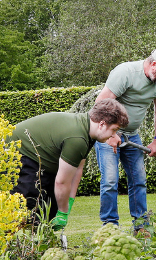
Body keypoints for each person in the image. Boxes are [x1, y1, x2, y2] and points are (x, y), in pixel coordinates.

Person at [95, 46, 156, 233]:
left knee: (139, 180)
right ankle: (110, 228)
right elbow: (100, 103)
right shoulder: (125, 72)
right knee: (110, 181)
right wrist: (110, 134)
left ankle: (141, 227)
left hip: (132, 136)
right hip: (108, 134)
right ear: (154, 65)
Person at [9, 98, 129, 230]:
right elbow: (62, 181)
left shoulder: (88, 132)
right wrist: (63, 212)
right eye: (114, 130)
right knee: (30, 207)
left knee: (51, 206)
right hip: (18, 153)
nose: (114, 135)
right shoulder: (78, 139)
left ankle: (39, 244)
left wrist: (68, 203)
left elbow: (78, 170)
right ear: (101, 124)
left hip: (39, 160)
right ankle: (18, 245)